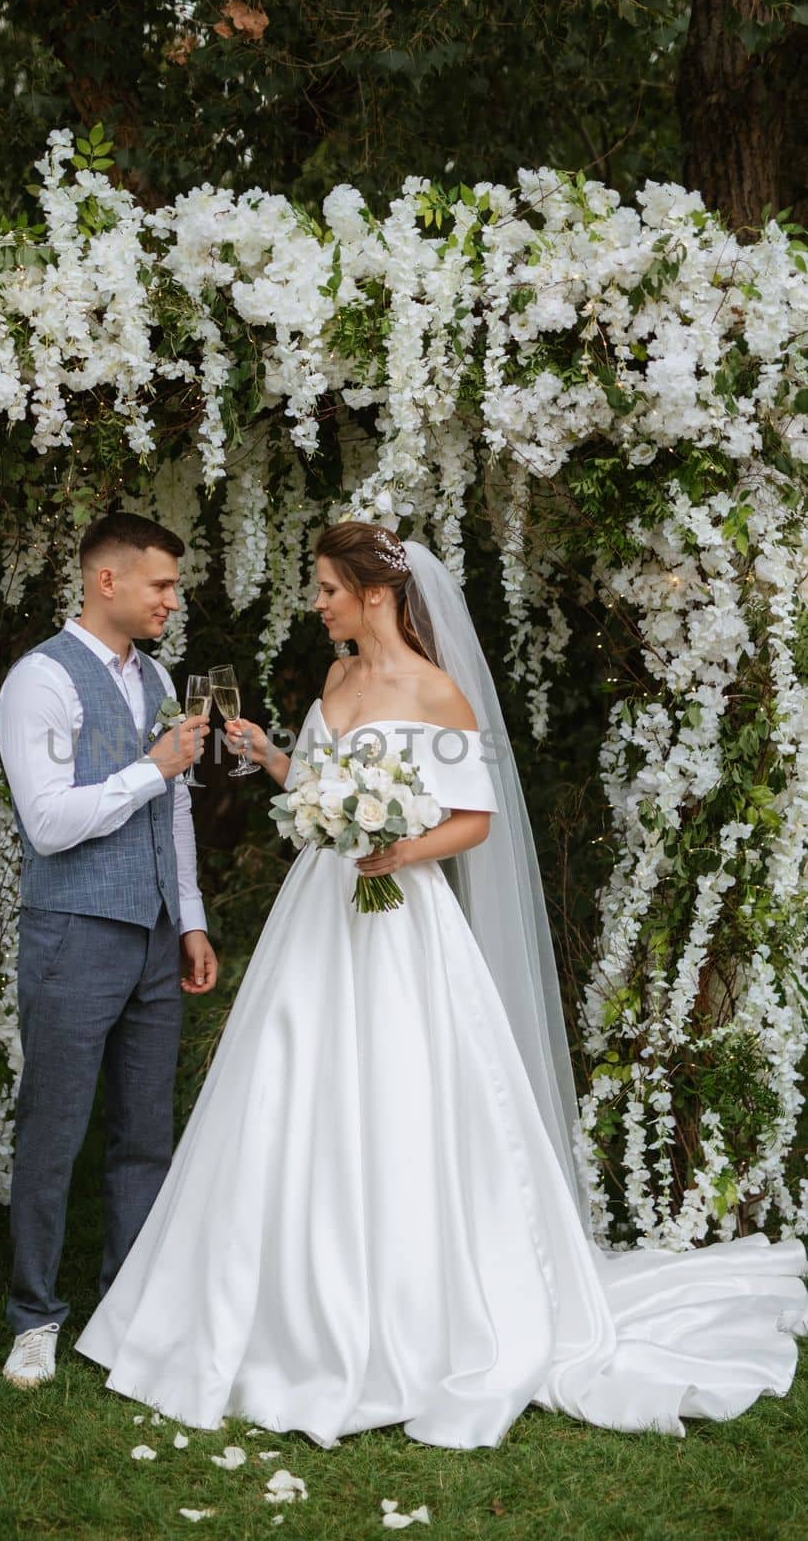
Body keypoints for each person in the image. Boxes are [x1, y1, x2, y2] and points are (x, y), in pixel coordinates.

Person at [74, 520, 808, 1448]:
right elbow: (320, 790)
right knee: (288, 1085)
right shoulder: (338, 680)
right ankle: (270, 1302)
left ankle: (410, 1306)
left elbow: (475, 822)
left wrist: (397, 850)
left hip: (401, 916)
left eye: (327, 588)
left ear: (374, 592)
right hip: (321, 912)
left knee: (403, 1093)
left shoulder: (437, 692)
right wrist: (273, 763)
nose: (316, 602)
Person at [0, 512, 218, 1389]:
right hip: (74, 932)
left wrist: (190, 918)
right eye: (161, 584)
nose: (173, 599)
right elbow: (48, 825)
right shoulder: (40, 681)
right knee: (53, 1129)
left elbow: (179, 807)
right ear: (108, 582)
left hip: (156, 935)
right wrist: (153, 768)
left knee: (144, 1134)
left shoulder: (157, 676)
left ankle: (125, 1309)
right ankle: (34, 1316)